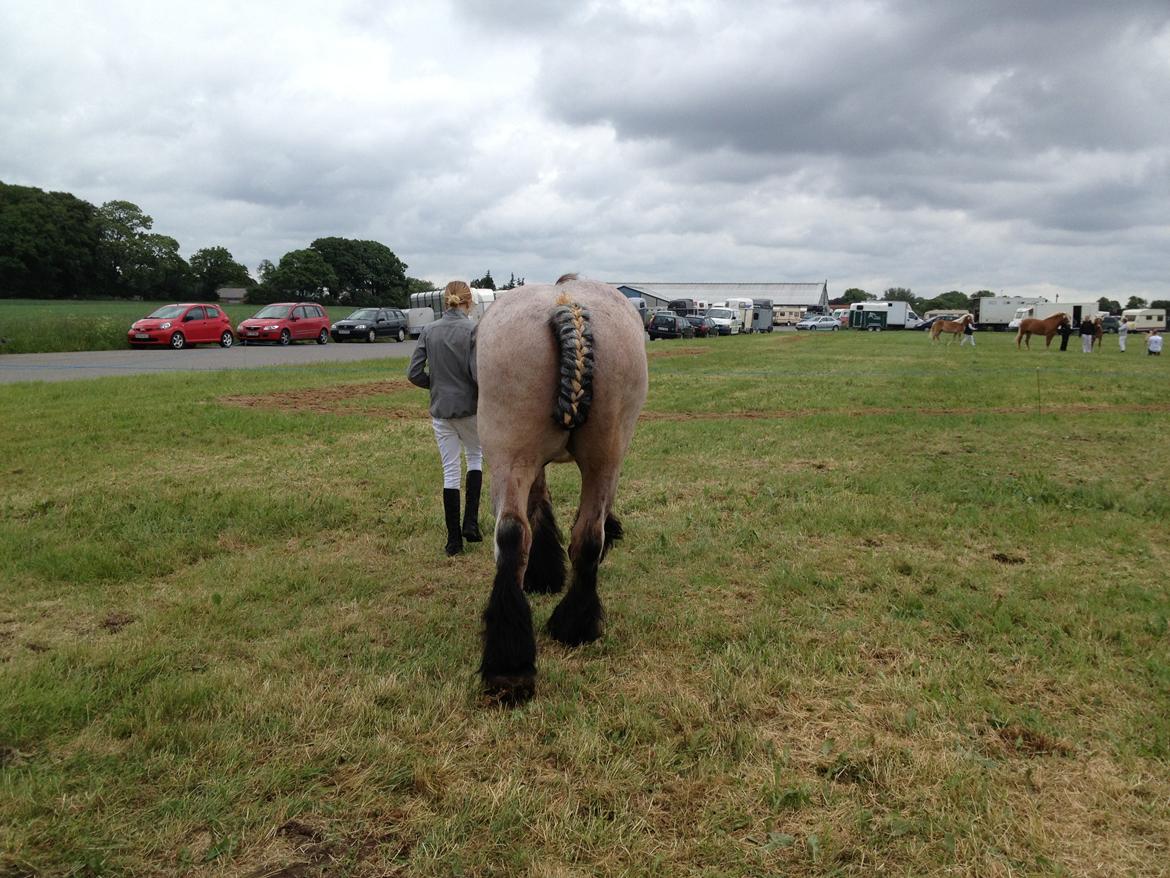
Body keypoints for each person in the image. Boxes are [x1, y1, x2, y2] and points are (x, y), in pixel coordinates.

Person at [407, 281, 484, 556]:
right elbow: (477, 374)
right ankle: (471, 523)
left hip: (440, 409)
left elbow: (414, 373)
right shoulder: (473, 329)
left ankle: (454, 542)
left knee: (449, 470)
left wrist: (437, 385)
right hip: (470, 408)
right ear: (468, 302)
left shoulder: (429, 330)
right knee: (475, 457)